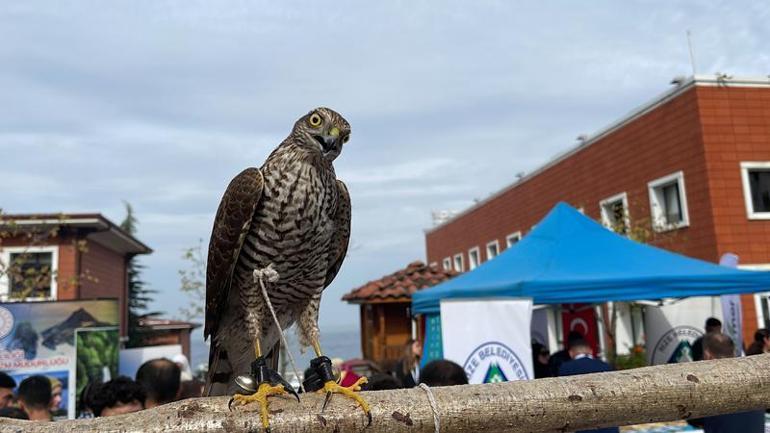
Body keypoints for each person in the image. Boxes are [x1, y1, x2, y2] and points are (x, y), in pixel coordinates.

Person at [695, 333, 765, 433]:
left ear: (707, 354)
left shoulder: (709, 382)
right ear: (733, 352)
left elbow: (693, 419)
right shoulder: (753, 375)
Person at [557, 339, 618, 433]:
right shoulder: (606, 366)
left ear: (571, 353)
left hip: (581, 425)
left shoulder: (566, 368)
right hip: (608, 424)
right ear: (590, 351)